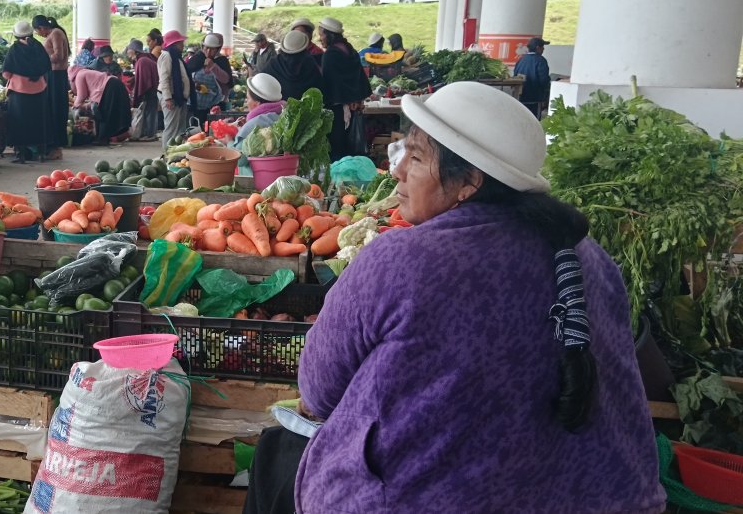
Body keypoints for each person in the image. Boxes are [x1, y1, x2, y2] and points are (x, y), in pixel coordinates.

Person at [243, 82, 665, 514]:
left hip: (442, 499)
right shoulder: (588, 257)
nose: (398, 171)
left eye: (418, 158)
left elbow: (318, 393)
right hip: (605, 497)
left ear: (469, 183)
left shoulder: (401, 259)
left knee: (279, 452)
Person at [318, 17, 372, 160]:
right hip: (351, 107)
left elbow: (329, 82)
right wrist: (356, 97)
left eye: (321, 34)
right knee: (347, 147)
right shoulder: (348, 49)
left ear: (329, 34)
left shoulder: (331, 55)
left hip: (336, 110)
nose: (320, 38)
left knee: (337, 148)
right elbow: (357, 76)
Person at [0, 21, 51, 163]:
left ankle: (20, 155)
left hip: (19, 91)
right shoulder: (38, 47)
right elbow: (46, 66)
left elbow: (6, 73)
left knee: (18, 123)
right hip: (39, 89)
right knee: (39, 122)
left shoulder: (15, 49)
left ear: (16, 35)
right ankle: (41, 153)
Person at [73, 50, 133, 145]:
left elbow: (81, 97)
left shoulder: (79, 75)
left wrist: (75, 107)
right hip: (116, 84)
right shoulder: (86, 72)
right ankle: (112, 136)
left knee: (103, 112)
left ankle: (102, 139)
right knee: (112, 112)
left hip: (109, 86)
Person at [34, 15, 73, 157]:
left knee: (56, 110)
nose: (39, 35)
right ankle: (54, 145)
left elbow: (59, 55)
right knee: (53, 109)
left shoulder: (55, 33)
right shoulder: (54, 33)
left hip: (56, 76)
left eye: (38, 31)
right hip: (53, 75)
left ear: (42, 28)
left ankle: (57, 147)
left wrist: (42, 59)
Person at [261, 31, 324, 101]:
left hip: (276, 109)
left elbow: (261, 85)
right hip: (306, 110)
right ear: (304, 49)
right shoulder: (310, 65)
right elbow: (319, 91)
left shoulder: (273, 64)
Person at [185, 32, 232, 122]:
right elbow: (186, 74)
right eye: (206, 48)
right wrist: (194, 84)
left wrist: (213, 66)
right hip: (194, 102)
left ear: (218, 49)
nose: (208, 52)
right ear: (203, 46)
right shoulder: (197, 58)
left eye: (212, 49)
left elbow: (226, 80)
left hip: (215, 105)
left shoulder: (221, 61)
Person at [156, 29, 190, 148]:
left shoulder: (175, 56)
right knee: (171, 128)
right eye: (181, 42)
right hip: (170, 96)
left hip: (177, 96)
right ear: (174, 44)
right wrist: (168, 98)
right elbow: (164, 79)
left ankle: (175, 154)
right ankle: (167, 155)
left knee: (179, 129)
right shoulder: (167, 56)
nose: (183, 45)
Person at [233, 72, 285, 148]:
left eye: (248, 98)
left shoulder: (256, 122)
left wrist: (228, 141)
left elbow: (239, 156)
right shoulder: (282, 114)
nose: (246, 102)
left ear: (257, 103)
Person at [126, 39, 159, 141]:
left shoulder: (141, 61)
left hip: (150, 89)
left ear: (134, 51)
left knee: (149, 111)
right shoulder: (144, 58)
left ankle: (149, 134)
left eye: (129, 50)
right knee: (150, 111)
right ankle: (150, 133)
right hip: (154, 88)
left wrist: (138, 95)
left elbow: (144, 80)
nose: (127, 52)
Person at [514, 36, 552, 119]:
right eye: (543, 47)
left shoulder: (521, 60)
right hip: (534, 98)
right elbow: (544, 80)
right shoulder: (540, 60)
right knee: (533, 121)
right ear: (538, 48)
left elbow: (515, 76)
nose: (543, 49)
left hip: (520, 98)